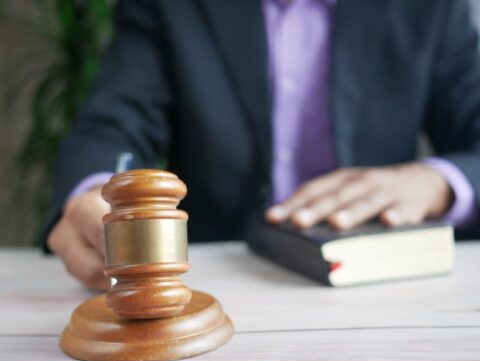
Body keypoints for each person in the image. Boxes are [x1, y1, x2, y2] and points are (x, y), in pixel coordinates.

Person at [46, 0, 480, 290]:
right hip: (215, 280)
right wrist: (96, 195)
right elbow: (112, 126)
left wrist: (436, 181)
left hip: (389, 286)